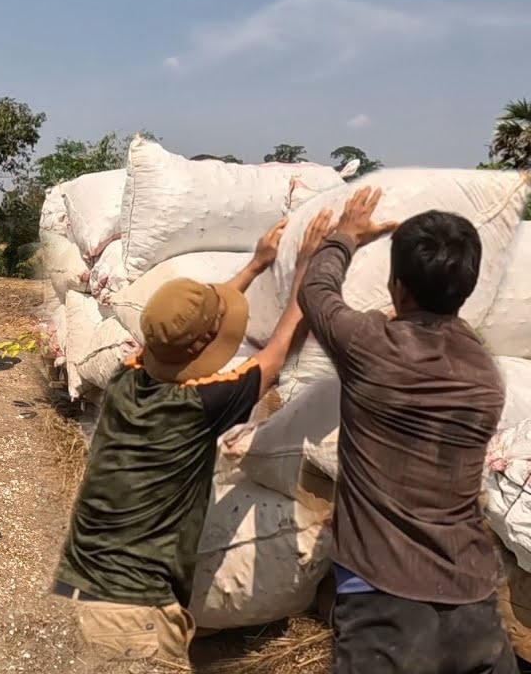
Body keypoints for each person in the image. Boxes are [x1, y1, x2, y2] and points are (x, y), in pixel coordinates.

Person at [54, 212, 333, 665]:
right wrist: (306, 267)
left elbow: (183, 331)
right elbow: (277, 351)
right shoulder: (201, 406)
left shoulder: (131, 375)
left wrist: (258, 263)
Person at [298, 187, 517, 674]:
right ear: (467, 286)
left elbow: (316, 292)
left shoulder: (370, 346)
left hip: (384, 606)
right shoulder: (485, 375)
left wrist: (345, 236)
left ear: (398, 285)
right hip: (473, 603)